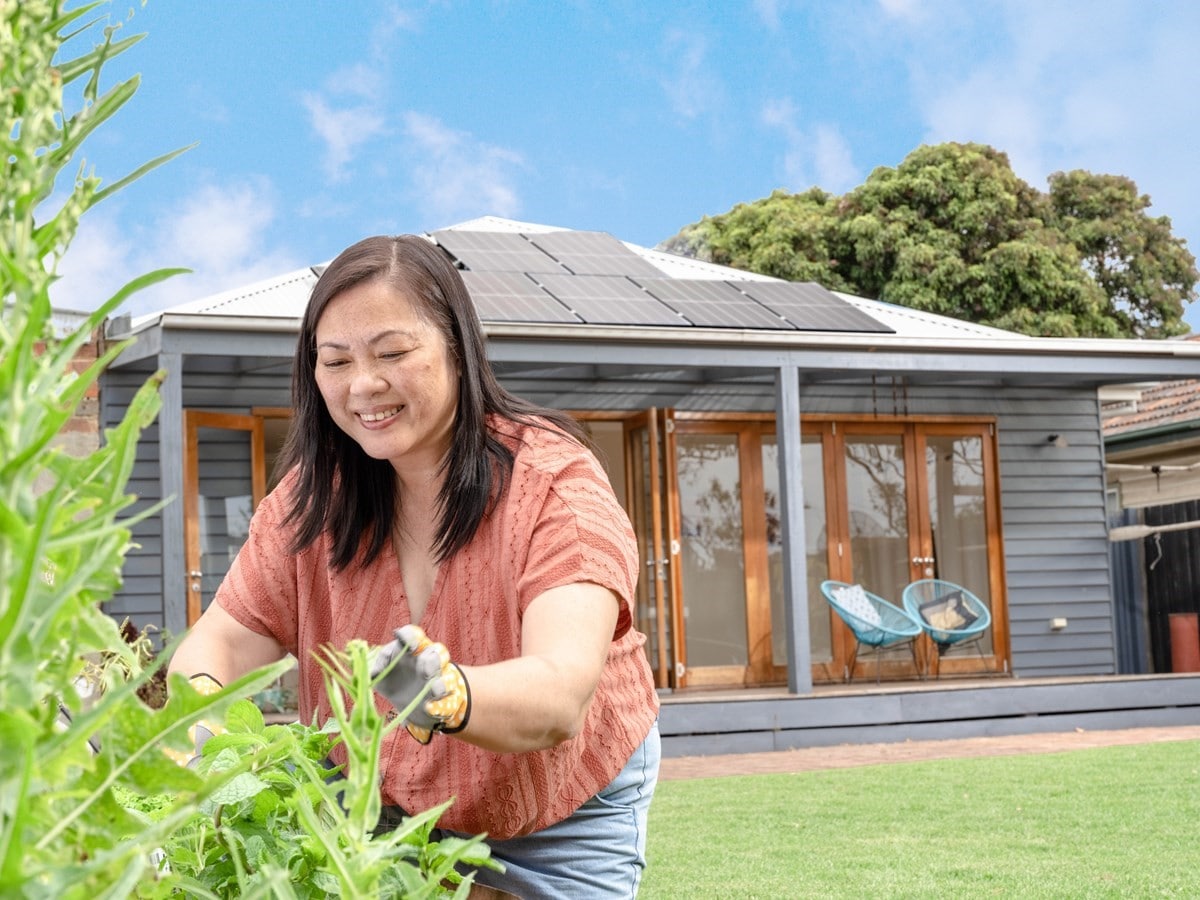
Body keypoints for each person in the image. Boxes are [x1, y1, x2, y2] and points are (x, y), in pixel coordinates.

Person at [167, 234, 661, 898]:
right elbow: (222, 645)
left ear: (459, 349)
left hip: (556, 808)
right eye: (335, 360)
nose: (364, 385)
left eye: (393, 353)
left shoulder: (554, 486)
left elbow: (560, 693)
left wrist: (443, 692)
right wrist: (195, 747)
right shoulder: (311, 503)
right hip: (381, 804)